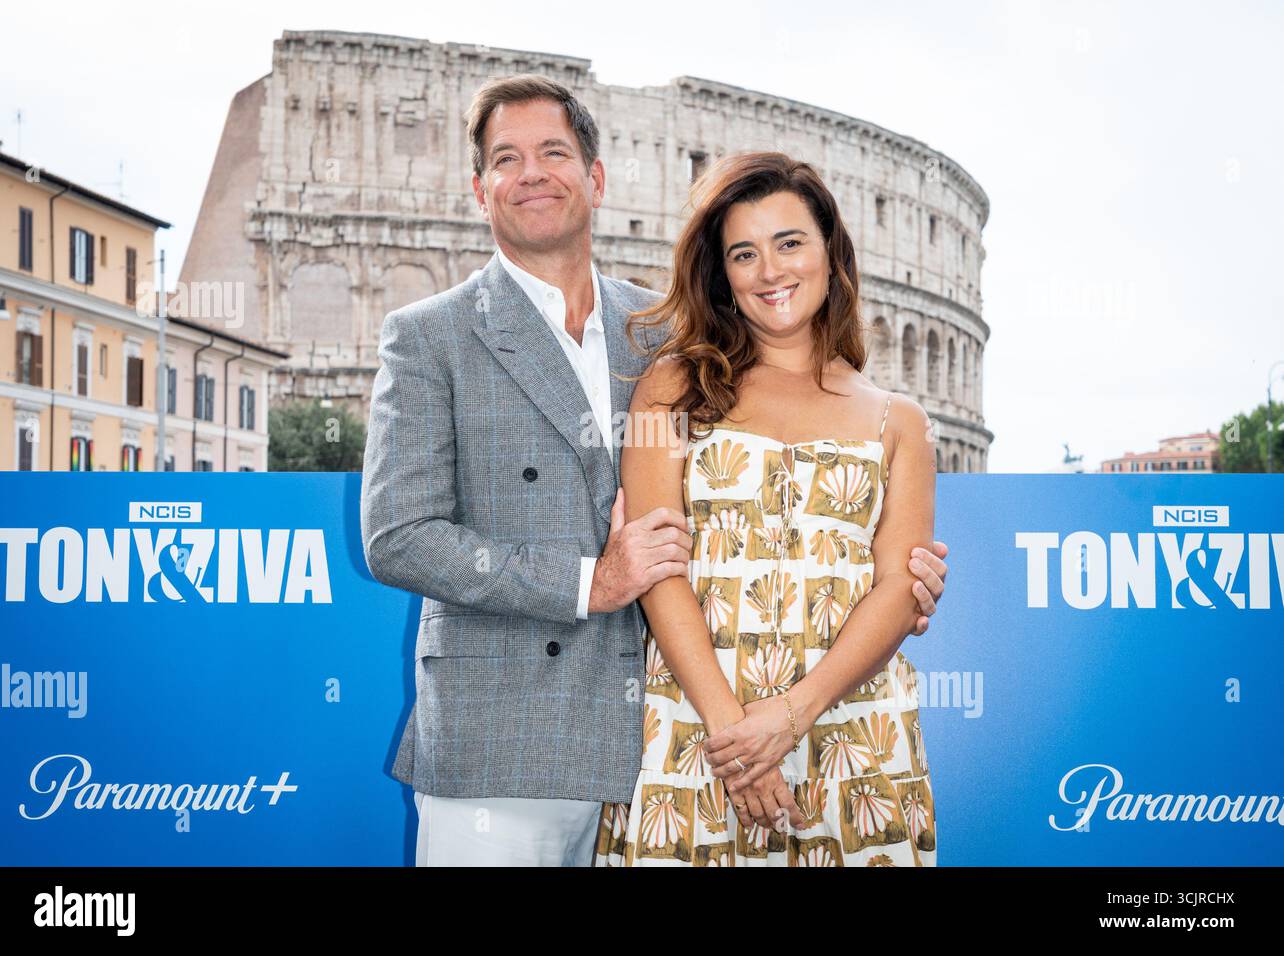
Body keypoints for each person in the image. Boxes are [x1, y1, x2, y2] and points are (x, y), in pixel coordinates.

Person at [360, 74, 950, 866]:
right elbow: (398, 538)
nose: (532, 173)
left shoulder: (667, 338)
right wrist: (588, 583)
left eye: (554, 152)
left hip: (644, 733)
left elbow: (865, 558)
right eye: (507, 158)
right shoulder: (429, 335)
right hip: (511, 735)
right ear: (479, 188)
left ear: (597, 177)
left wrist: (900, 585)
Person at [595, 152, 940, 866]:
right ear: (722, 275)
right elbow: (659, 571)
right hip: (696, 731)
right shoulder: (667, 392)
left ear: (829, 252)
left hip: (853, 734)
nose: (770, 271)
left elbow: (901, 587)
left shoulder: (898, 419)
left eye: (789, 243)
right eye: (744, 254)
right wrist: (737, 740)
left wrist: (790, 717)